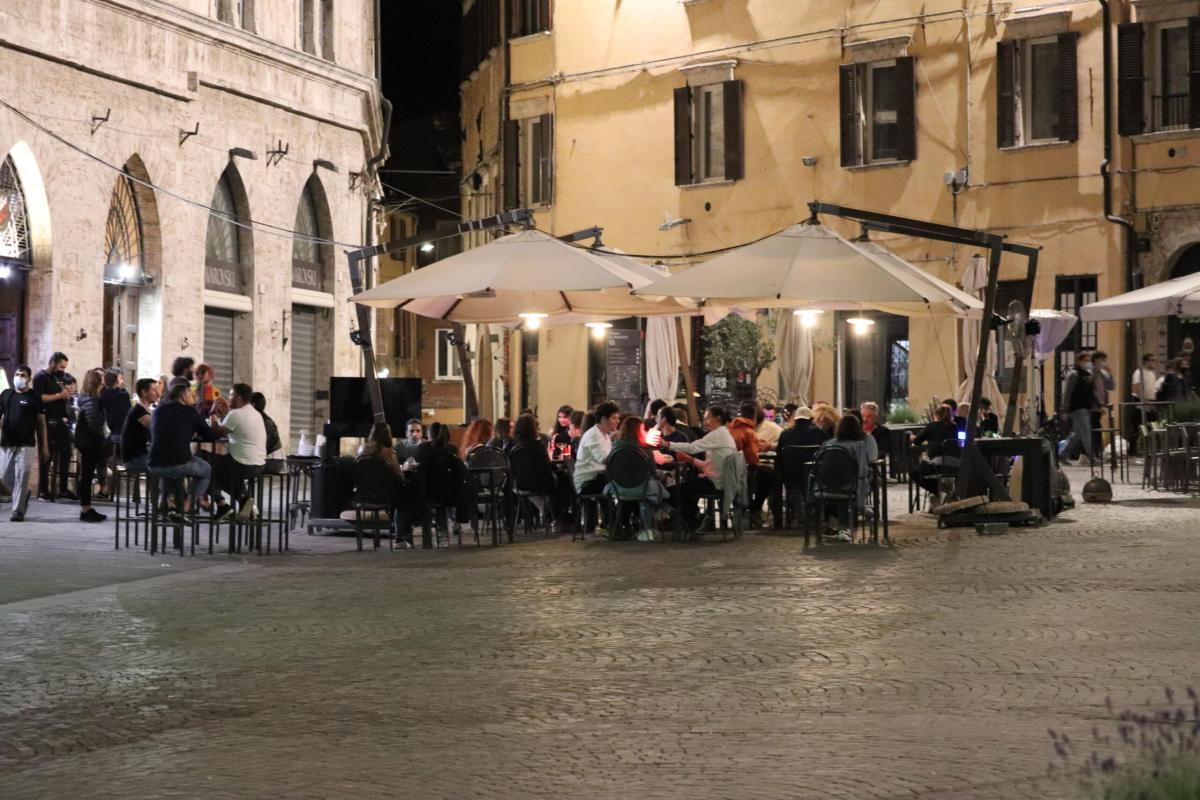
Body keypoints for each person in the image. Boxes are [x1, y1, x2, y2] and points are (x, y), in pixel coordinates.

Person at [662, 406, 738, 533]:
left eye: (707, 418)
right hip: (722, 481)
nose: (705, 422)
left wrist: (667, 444)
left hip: (715, 483)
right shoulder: (724, 434)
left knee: (673, 491)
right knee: (685, 487)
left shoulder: (716, 435)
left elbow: (692, 447)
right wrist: (690, 460)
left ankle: (694, 520)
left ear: (717, 419)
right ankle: (695, 519)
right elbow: (711, 464)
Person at [148, 380, 217, 518]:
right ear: (184, 396)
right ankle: (186, 506)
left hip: (154, 464)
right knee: (206, 469)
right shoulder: (190, 411)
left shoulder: (157, 411)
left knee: (169, 468)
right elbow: (210, 435)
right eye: (189, 394)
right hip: (180, 463)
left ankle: (170, 504)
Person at [207, 383, 267, 521]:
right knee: (223, 471)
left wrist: (212, 414)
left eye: (231, 394)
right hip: (258, 465)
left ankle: (223, 506)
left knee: (206, 468)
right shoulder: (255, 413)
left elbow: (216, 432)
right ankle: (245, 501)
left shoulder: (236, 414)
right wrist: (223, 417)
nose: (229, 397)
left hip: (241, 464)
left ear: (238, 397)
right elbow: (232, 431)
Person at [817, 414, 879, 542]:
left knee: (840, 490)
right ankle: (848, 522)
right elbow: (862, 470)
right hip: (849, 486)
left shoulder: (828, 443)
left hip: (824, 486)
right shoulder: (859, 445)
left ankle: (831, 523)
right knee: (849, 487)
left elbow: (820, 462)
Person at [605, 416, 668, 540]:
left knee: (635, 491)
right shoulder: (644, 448)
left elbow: (610, 469)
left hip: (619, 489)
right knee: (654, 490)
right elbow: (652, 471)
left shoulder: (615, 447)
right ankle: (650, 526)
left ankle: (624, 527)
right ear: (639, 430)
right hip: (642, 490)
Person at [0, 365, 46, 521]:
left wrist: (44, 445)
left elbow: (41, 423)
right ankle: (23, 494)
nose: (19, 377)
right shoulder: (6, 394)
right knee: (4, 475)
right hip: (7, 440)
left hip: (26, 442)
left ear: (28, 379)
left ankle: (17, 511)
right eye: (17, 374)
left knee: (21, 475)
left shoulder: (34, 397)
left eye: (22, 375)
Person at [33, 352, 77, 501]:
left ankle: (63, 489)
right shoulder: (41, 378)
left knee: (66, 453)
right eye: (60, 366)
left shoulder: (61, 377)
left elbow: (66, 392)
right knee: (47, 456)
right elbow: (39, 398)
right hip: (46, 421)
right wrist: (59, 396)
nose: (63, 370)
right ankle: (44, 491)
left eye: (65, 367)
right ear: (52, 363)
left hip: (60, 421)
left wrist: (69, 392)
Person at [573, 401, 620, 532]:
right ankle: (617, 524)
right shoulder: (593, 435)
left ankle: (616, 523)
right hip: (587, 482)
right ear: (604, 419)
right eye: (614, 418)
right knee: (620, 485)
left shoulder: (603, 435)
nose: (617, 421)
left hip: (597, 477)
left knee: (620, 483)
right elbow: (605, 459)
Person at [73, 369, 109, 522]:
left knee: (86, 475)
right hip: (91, 442)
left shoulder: (85, 399)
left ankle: (86, 507)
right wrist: (101, 439)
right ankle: (86, 509)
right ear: (96, 382)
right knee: (87, 476)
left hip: (86, 441)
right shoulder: (92, 401)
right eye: (101, 378)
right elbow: (93, 424)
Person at [910, 404, 961, 497]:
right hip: (957, 466)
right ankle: (945, 492)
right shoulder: (955, 427)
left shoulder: (932, 425)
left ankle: (938, 491)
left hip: (938, 466)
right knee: (929, 468)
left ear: (936, 415)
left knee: (914, 473)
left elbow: (917, 441)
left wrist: (912, 437)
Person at [1062, 351, 1098, 465]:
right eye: (1085, 360)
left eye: (1088, 361)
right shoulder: (1074, 374)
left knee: (1077, 434)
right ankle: (1091, 457)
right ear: (1079, 361)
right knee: (1086, 432)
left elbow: (1091, 392)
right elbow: (1068, 393)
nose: (1087, 363)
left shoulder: (1087, 374)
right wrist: (1065, 409)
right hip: (1077, 407)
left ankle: (1062, 454)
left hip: (1086, 407)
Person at [121, 378, 159, 476]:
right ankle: (160, 492)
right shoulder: (139, 412)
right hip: (134, 460)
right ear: (144, 392)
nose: (157, 393)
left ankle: (165, 491)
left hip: (139, 456)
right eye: (154, 390)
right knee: (165, 467)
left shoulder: (141, 410)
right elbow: (157, 429)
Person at [1130, 353, 1159, 454]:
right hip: (1140, 403)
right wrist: (1144, 401)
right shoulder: (1139, 373)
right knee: (1138, 428)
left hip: (1150, 403)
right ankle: (1133, 451)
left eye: (1154, 360)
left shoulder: (1152, 374)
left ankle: (1150, 448)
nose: (1154, 362)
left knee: (1153, 426)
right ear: (1146, 361)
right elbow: (1136, 388)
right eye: (1152, 360)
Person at [247, 392, 284, 459]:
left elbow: (263, 445)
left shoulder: (265, 422)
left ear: (252, 405)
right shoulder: (258, 418)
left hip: (272, 458)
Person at [728, 401, 761, 467]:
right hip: (740, 471)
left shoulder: (729, 429)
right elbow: (752, 460)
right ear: (754, 417)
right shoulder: (749, 433)